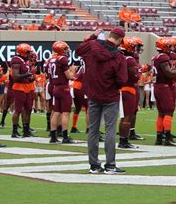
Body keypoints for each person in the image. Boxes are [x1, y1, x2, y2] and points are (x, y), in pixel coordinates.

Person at [75, 28, 128, 174]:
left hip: (93, 94)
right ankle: (110, 165)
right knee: (110, 130)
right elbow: (122, 80)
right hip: (110, 95)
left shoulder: (93, 46)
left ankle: (94, 165)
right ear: (120, 40)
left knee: (93, 130)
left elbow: (78, 50)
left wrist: (93, 36)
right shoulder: (118, 56)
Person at [152, 37, 176, 146]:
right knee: (168, 112)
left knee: (161, 113)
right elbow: (169, 73)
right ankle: (167, 138)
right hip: (164, 87)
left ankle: (159, 137)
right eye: (169, 46)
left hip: (158, 86)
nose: (171, 48)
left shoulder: (156, 57)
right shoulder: (163, 57)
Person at [48, 41, 77, 144]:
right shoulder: (62, 59)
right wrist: (73, 71)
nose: (67, 50)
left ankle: (53, 136)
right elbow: (69, 76)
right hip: (63, 88)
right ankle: (65, 137)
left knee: (56, 112)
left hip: (55, 87)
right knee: (66, 113)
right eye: (65, 49)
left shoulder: (51, 59)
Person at [118, 36, 143, 148]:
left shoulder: (119, 57)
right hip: (128, 89)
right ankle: (124, 141)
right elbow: (134, 77)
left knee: (124, 117)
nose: (135, 49)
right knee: (127, 117)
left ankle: (123, 139)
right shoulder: (130, 59)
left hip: (121, 89)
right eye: (134, 46)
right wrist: (140, 72)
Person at [10, 43, 35, 138]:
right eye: (28, 52)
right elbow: (15, 77)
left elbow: (28, 76)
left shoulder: (25, 61)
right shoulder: (17, 60)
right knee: (18, 110)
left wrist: (32, 77)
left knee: (28, 109)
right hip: (19, 87)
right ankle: (14, 131)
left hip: (27, 87)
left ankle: (26, 130)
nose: (30, 54)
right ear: (23, 52)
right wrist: (28, 74)